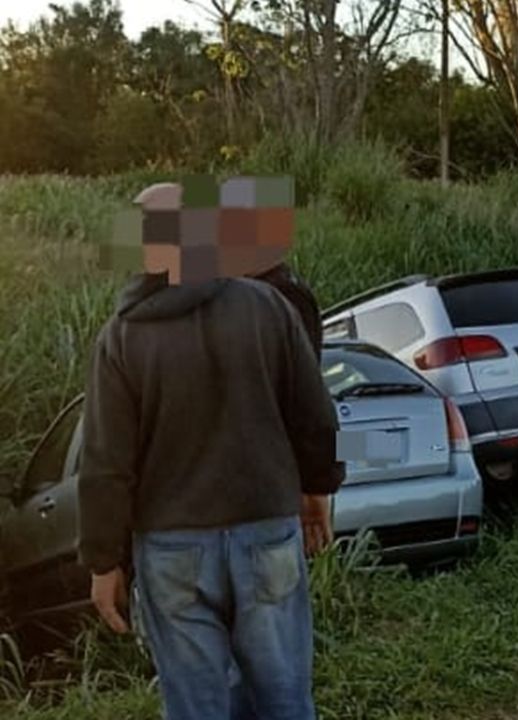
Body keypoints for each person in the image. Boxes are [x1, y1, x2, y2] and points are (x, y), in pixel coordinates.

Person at [79, 180, 343, 719]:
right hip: (266, 531)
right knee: (285, 700)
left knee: (197, 708)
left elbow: (105, 463)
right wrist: (317, 490)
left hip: (172, 549)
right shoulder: (268, 307)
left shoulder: (122, 337)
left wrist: (104, 562)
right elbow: (315, 416)